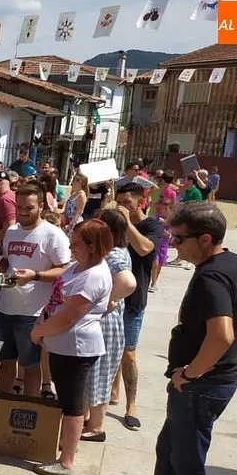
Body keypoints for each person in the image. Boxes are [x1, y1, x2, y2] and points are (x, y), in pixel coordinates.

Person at [128, 203, 237, 475]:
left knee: (187, 463)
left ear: (205, 239)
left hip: (201, 386)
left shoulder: (212, 277)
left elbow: (222, 335)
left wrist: (189, 374)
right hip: (204, 385)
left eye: (179, 238)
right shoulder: (234, 264)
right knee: (170, 449)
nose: (173, 245)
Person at [30, 220, 113, 475]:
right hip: (61, 344)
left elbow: (68, 318)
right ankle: (66, 447)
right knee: (67, 401)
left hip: (76, 348)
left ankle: (66, 462)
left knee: (72, 404)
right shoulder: (79, 267)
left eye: (76, 243)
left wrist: (38, 332)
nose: (70, 247)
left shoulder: (94, 276)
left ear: (92, 246)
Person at [0, 183, 71, 397]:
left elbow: (65, 270)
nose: (23, 212)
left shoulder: (53, 235)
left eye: (29, 207)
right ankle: (4, 401)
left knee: (30, 364)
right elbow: (8, 261)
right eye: (19, 207)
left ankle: (29, 405)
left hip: (33, 312)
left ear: (41, 206)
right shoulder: (11, 231)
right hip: (5, 307)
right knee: (6, 360)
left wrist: (35, 276)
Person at [111, 182, 164, 431]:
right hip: (111, 296)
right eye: (119, 202)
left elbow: (144, 249)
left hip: (134, 300)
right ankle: (113, 391)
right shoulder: (114, 223)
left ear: (141, 202)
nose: (122, 207)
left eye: (127, 203)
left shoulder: (151, 225)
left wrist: (127, 222)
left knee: (128, 353)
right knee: (108, 349)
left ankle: (131, 405)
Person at [81, 208, 136, 442]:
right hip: (107, 322)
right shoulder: (119, 250)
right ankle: (87, 420)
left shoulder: (113, 254)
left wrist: (106, 299)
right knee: (93, 374)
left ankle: (95, 427)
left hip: (105, 323)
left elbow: (128, 282)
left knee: (99, 374)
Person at [149, 194, 175, 292]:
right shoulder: (157, 218)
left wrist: (166, 227)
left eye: (165, 209)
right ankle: (152, 283)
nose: (162, 211)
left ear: (170, 210)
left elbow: (169, 233)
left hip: (164, 245)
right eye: (162, 209)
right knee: (155, 262)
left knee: (160, 264)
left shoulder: (172, 221)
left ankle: (154, 281)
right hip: (156, 243)